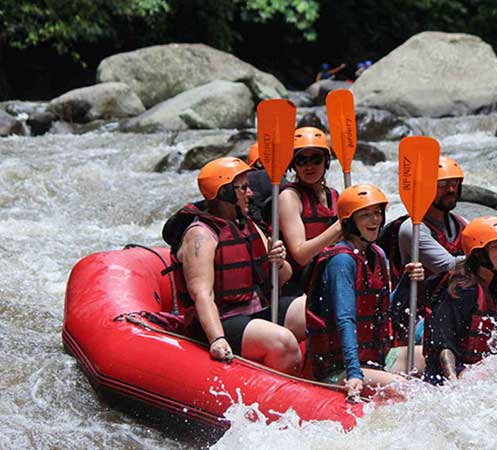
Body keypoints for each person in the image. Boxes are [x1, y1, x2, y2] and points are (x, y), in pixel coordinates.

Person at [161, 157, 302, 374]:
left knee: (314, 310)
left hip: (257, 310)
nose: (251, 193)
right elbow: (202, 294)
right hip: (222, 320)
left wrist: (279, 261)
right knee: (283, 342)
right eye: (244, 188)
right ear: (225, 192)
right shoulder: (201, 235)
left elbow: (283, 278)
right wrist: (217, 339)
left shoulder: (248, 225)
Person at [305, 184, 424, 399]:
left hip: (374, 357)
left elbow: (385, 306)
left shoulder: (377, 254)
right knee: (404, 387)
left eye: (377, 213)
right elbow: (344, 319)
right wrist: (353, 372)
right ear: (350, 222)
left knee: (427, 356)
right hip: (340, 367)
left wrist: (407, 282)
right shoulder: (341, 261)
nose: (375, 220)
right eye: (365, 215)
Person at [422, 216, 497, 384]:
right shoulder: (462, 290)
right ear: (480, 254)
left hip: (481, 369)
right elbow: (443, 344)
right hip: (449, 375)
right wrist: (453, 382)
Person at [381, 157, 468, 343]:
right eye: (443, 184)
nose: (451, 189)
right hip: (417, 317)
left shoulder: (461, 223)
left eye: (455, 183)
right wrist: (489, 253)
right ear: (426, 188)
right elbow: (448, 265)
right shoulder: (412, 228)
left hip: (451, 307)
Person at [278, 127, 343, 297]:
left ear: (326, 162)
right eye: (302, 160)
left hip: (329, 274)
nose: (309, 166)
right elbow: (300, 255)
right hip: (298, 284)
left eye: (315, 159)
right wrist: (339, 227)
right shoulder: (289, 198)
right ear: (294, 164)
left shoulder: (334, 195)